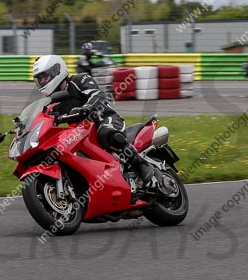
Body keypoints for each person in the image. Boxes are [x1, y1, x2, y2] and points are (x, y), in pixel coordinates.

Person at [32, 54, 159, 188]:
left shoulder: (80, 80)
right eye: (40, 79)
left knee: (106, 133)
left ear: (56, 71)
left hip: (104, 118)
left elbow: (98, 94)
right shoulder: (52, 103)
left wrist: (87, 107)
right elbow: (43, 119)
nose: (43, 82)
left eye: (45, 77)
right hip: (82, 132)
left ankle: (142, 165)